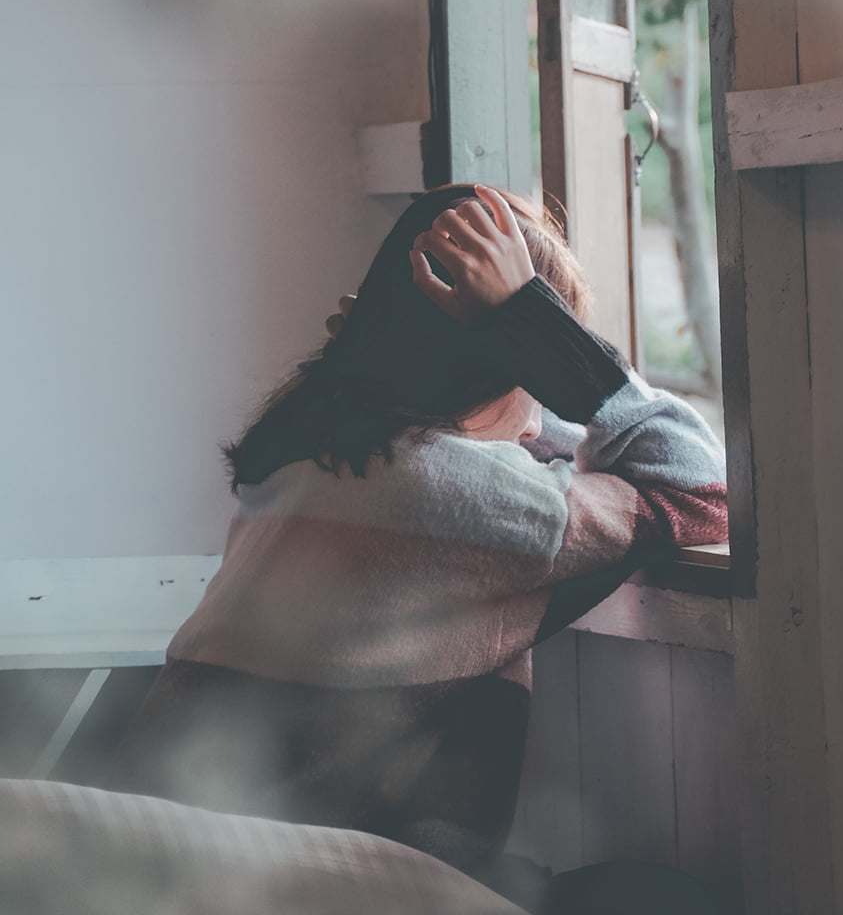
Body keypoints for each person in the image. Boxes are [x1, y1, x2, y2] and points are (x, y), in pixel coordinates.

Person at [106, 184, 728, 911]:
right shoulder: (465, 495)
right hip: (322, 884)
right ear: (513, 363)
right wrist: (541, 331)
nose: (540, 422)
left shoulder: (308, 450)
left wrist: (426, 349)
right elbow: (699, 485)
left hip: (159, 856)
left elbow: (505, 443)